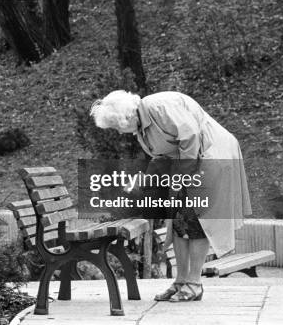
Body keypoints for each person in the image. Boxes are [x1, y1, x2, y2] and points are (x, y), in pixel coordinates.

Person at [90, 90, 252, 302]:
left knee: (195, 220)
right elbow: (162, 157)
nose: (119, 132)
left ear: (127, 117)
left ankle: (194, 284)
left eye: (117, 126)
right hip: (189, 163)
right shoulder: (141, 128)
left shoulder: (159, 107)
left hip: (210, 156)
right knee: (178, 221)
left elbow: (191, 136)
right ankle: (180, 281)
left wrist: (181, 179)